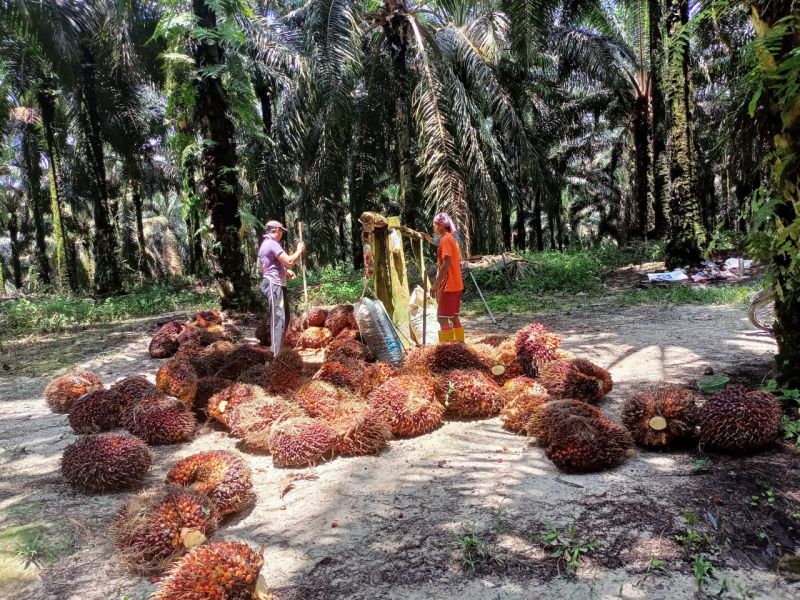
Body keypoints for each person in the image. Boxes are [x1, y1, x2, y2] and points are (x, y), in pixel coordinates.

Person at [258, 220, 305, 354]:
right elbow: (289, 261)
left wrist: (284, 272)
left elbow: (264, 267)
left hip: (277, 284)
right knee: (278, 318)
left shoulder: (265, 244)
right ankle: (275, 354)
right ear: (278, 230)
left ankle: (278, 351)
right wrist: (299, 250)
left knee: (285, 317)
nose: (282, 234)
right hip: (274, 285)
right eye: (282, 231)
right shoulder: (271, 243)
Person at [429, 213, 464, 343]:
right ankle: (460, 346)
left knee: (442, 318)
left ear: (441, 226)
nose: (434, 228)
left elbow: (446, 262)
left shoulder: (445, 240)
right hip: (457, 284)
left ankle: (447, 349)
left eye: (435, 226)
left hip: (448, 285)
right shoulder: (452, 239)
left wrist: (436, 284)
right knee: (454, 317)